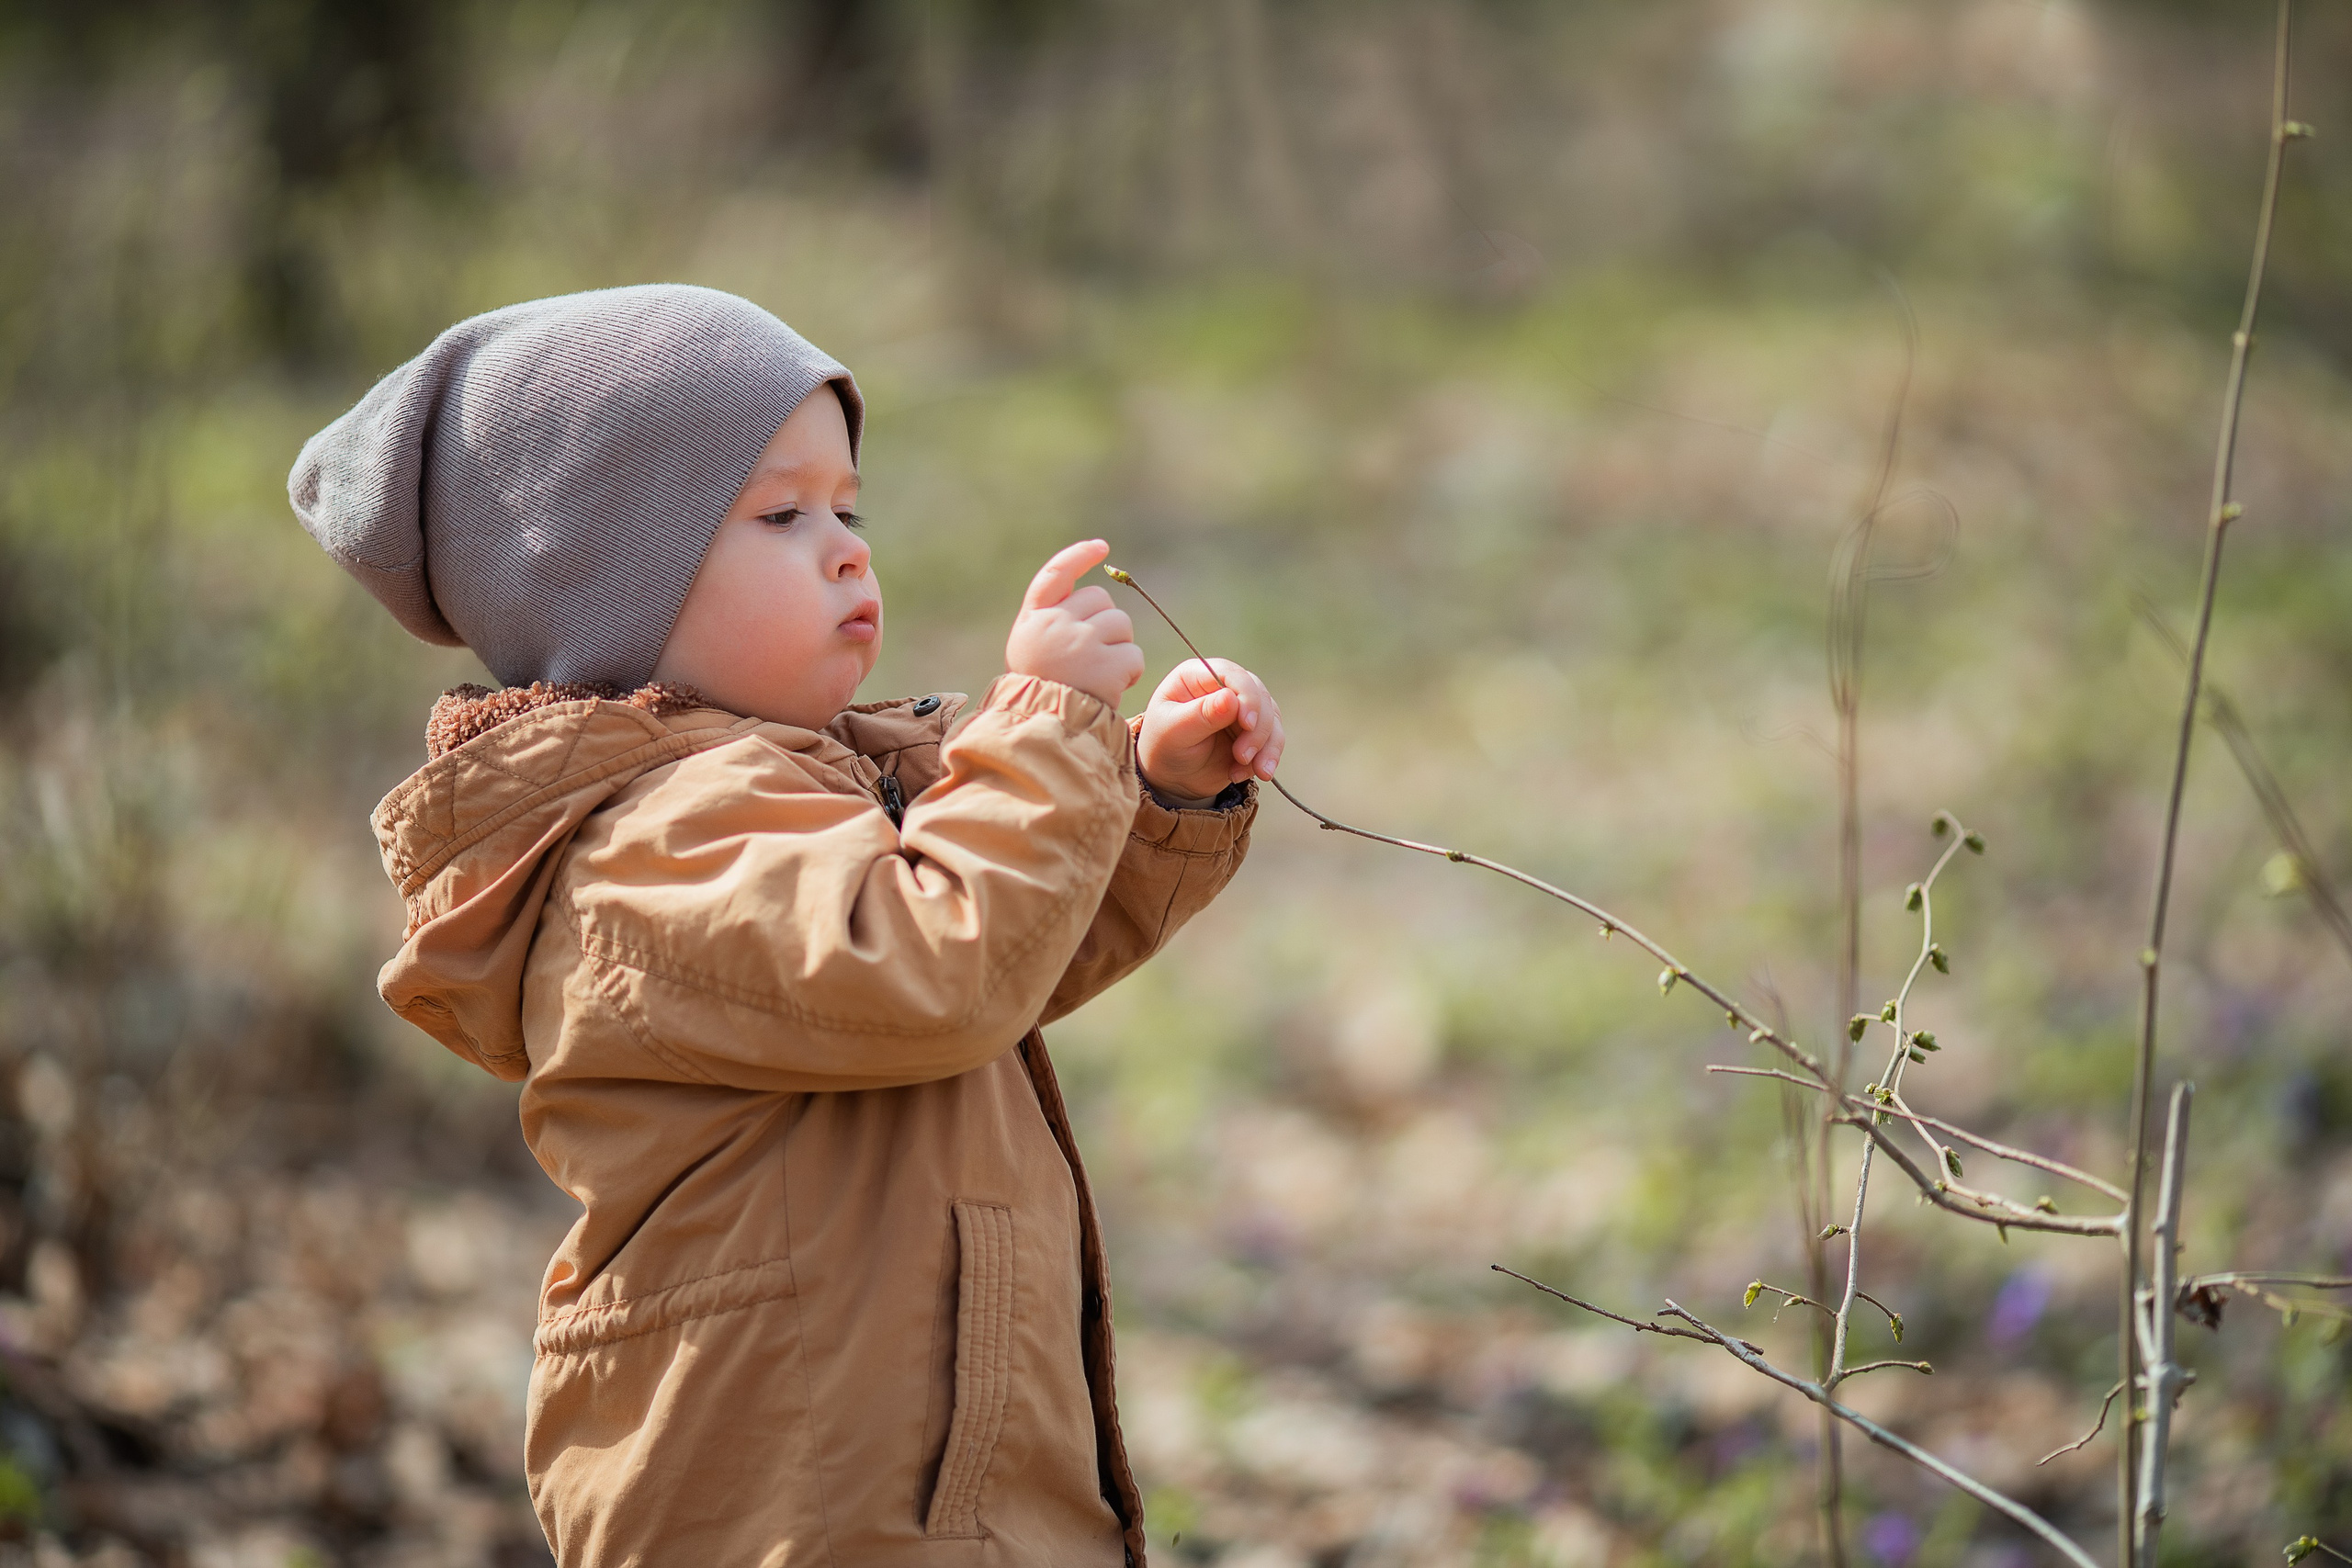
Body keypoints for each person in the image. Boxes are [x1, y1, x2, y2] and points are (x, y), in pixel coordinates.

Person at [288, 284, 1283, 1566]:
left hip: (925, 1482)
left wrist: (1147, 790)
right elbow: (937, 966)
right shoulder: (651, 846)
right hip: (786, 1500)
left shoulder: (815, 790)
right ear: (611, 587)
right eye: (781, 515)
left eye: (848, 510)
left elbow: (1017, 947)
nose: (848, 551)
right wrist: (1045, 728)